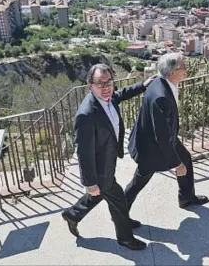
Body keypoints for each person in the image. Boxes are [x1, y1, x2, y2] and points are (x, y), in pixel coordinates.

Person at [61, 63, 155, 251]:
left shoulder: (109, 98)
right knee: (117, 198)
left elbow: (120, 95)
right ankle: (125, 237)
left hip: (108, 159)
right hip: (99, 166)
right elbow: (84, 152)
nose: (105, 87)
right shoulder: (86, 115)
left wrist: (142, 85)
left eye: (108, 82)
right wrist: (90, 182)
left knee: (100, 195)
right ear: (90, 86)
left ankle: (73, 214)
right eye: (99, 83)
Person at [125, 53, 209, 222]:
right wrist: (175, 164)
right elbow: (161, 137)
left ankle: (186, 197)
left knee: (185, 158)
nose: (186, 70)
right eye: (182, 67)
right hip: (150, 147)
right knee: (138, 182)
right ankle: (120, 214)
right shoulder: (161, 96)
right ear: (171, 72)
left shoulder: (160, 81)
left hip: (161, 137)